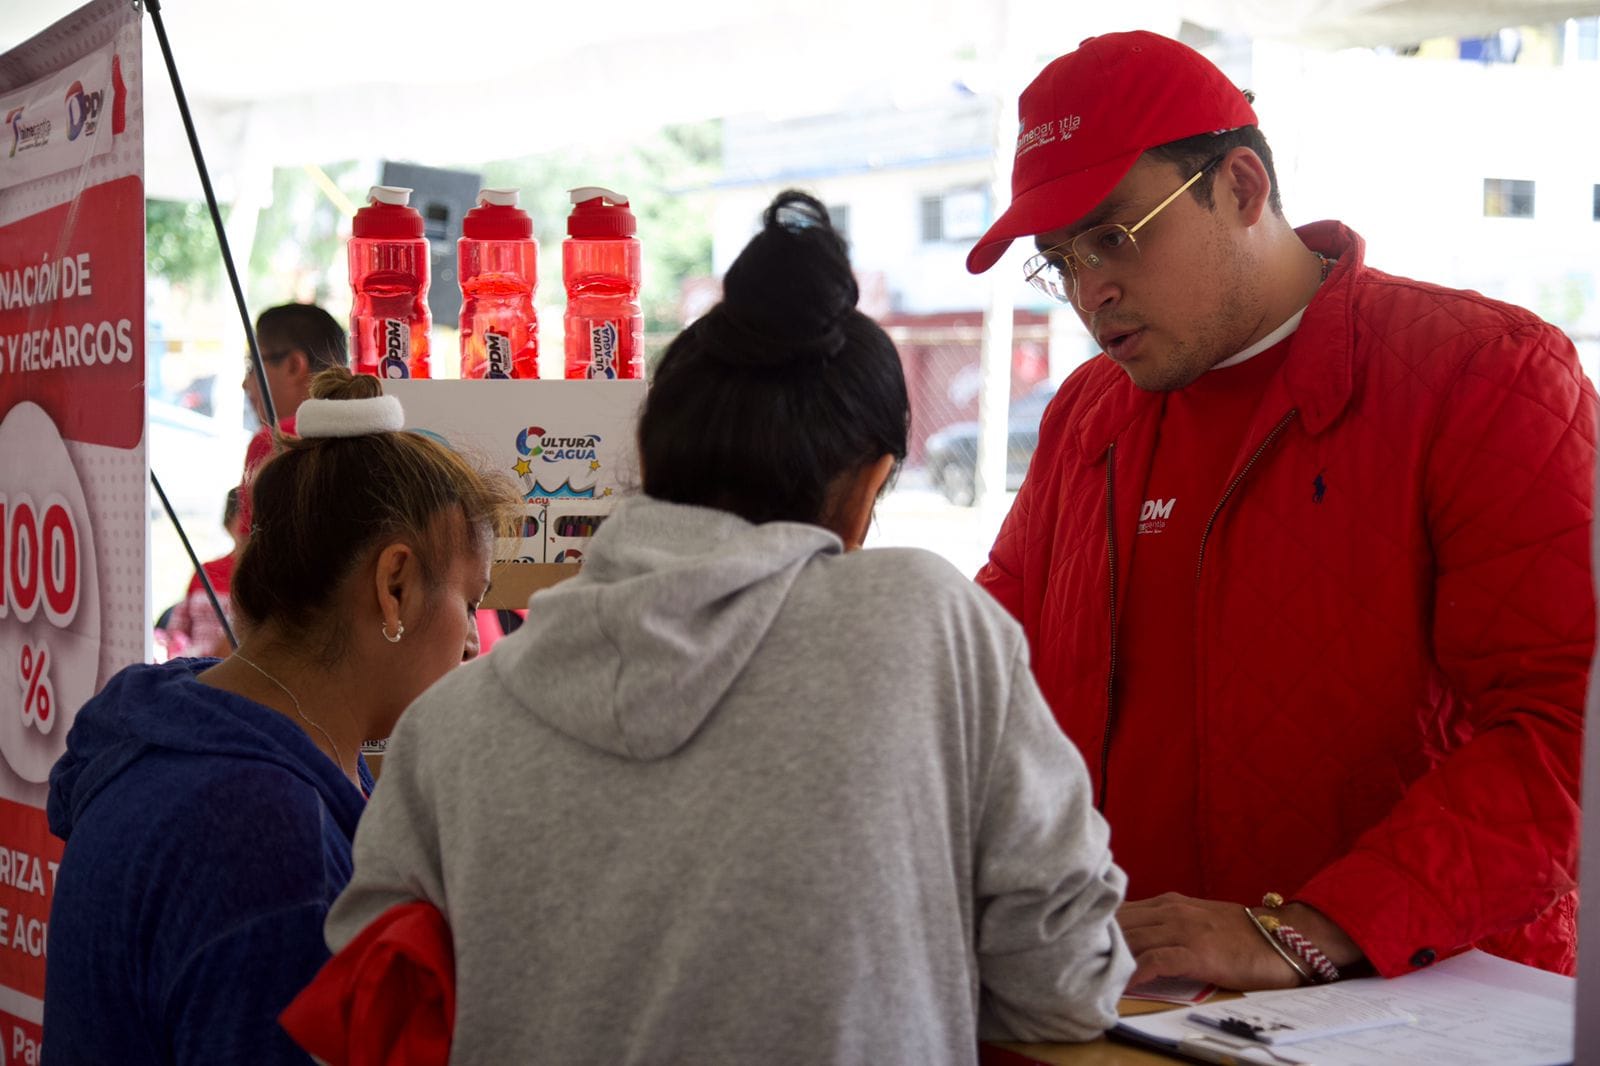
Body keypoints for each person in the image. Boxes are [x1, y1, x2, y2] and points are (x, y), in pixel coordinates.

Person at [307, 191, 1132, 1064]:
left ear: (651, 461)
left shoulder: (448, 730)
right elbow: (1063, 979)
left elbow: (367, 1019)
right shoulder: (925, 626)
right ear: (867, 487)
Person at [964, 30, 1596, 991]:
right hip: (1126, 1005)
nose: (1091, 289)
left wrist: (1309, 929)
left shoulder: (1481, 373)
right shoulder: (1088, 414)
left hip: (1407, 1007)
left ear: (1244, 187)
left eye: (1114, 235)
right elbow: (985, 681)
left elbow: (1568, 731)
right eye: (1060, 258)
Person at [45, 370, 518, 1065]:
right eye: (469, 600)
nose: (475, 640)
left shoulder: (199, 738)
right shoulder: (266, 836)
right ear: (394, 586)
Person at [239, 302, 349, 534]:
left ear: (293, 366)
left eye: (252, 365)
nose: (245, 383)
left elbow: (250, 558)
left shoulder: (274, 442)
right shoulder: (372, 430)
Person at [159, 486, 245, 660]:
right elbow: (175, 632)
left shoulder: (269, 580)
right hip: (194, 668)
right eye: (242, 515)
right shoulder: (205, 572)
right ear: (229, 522)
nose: (246, 525)